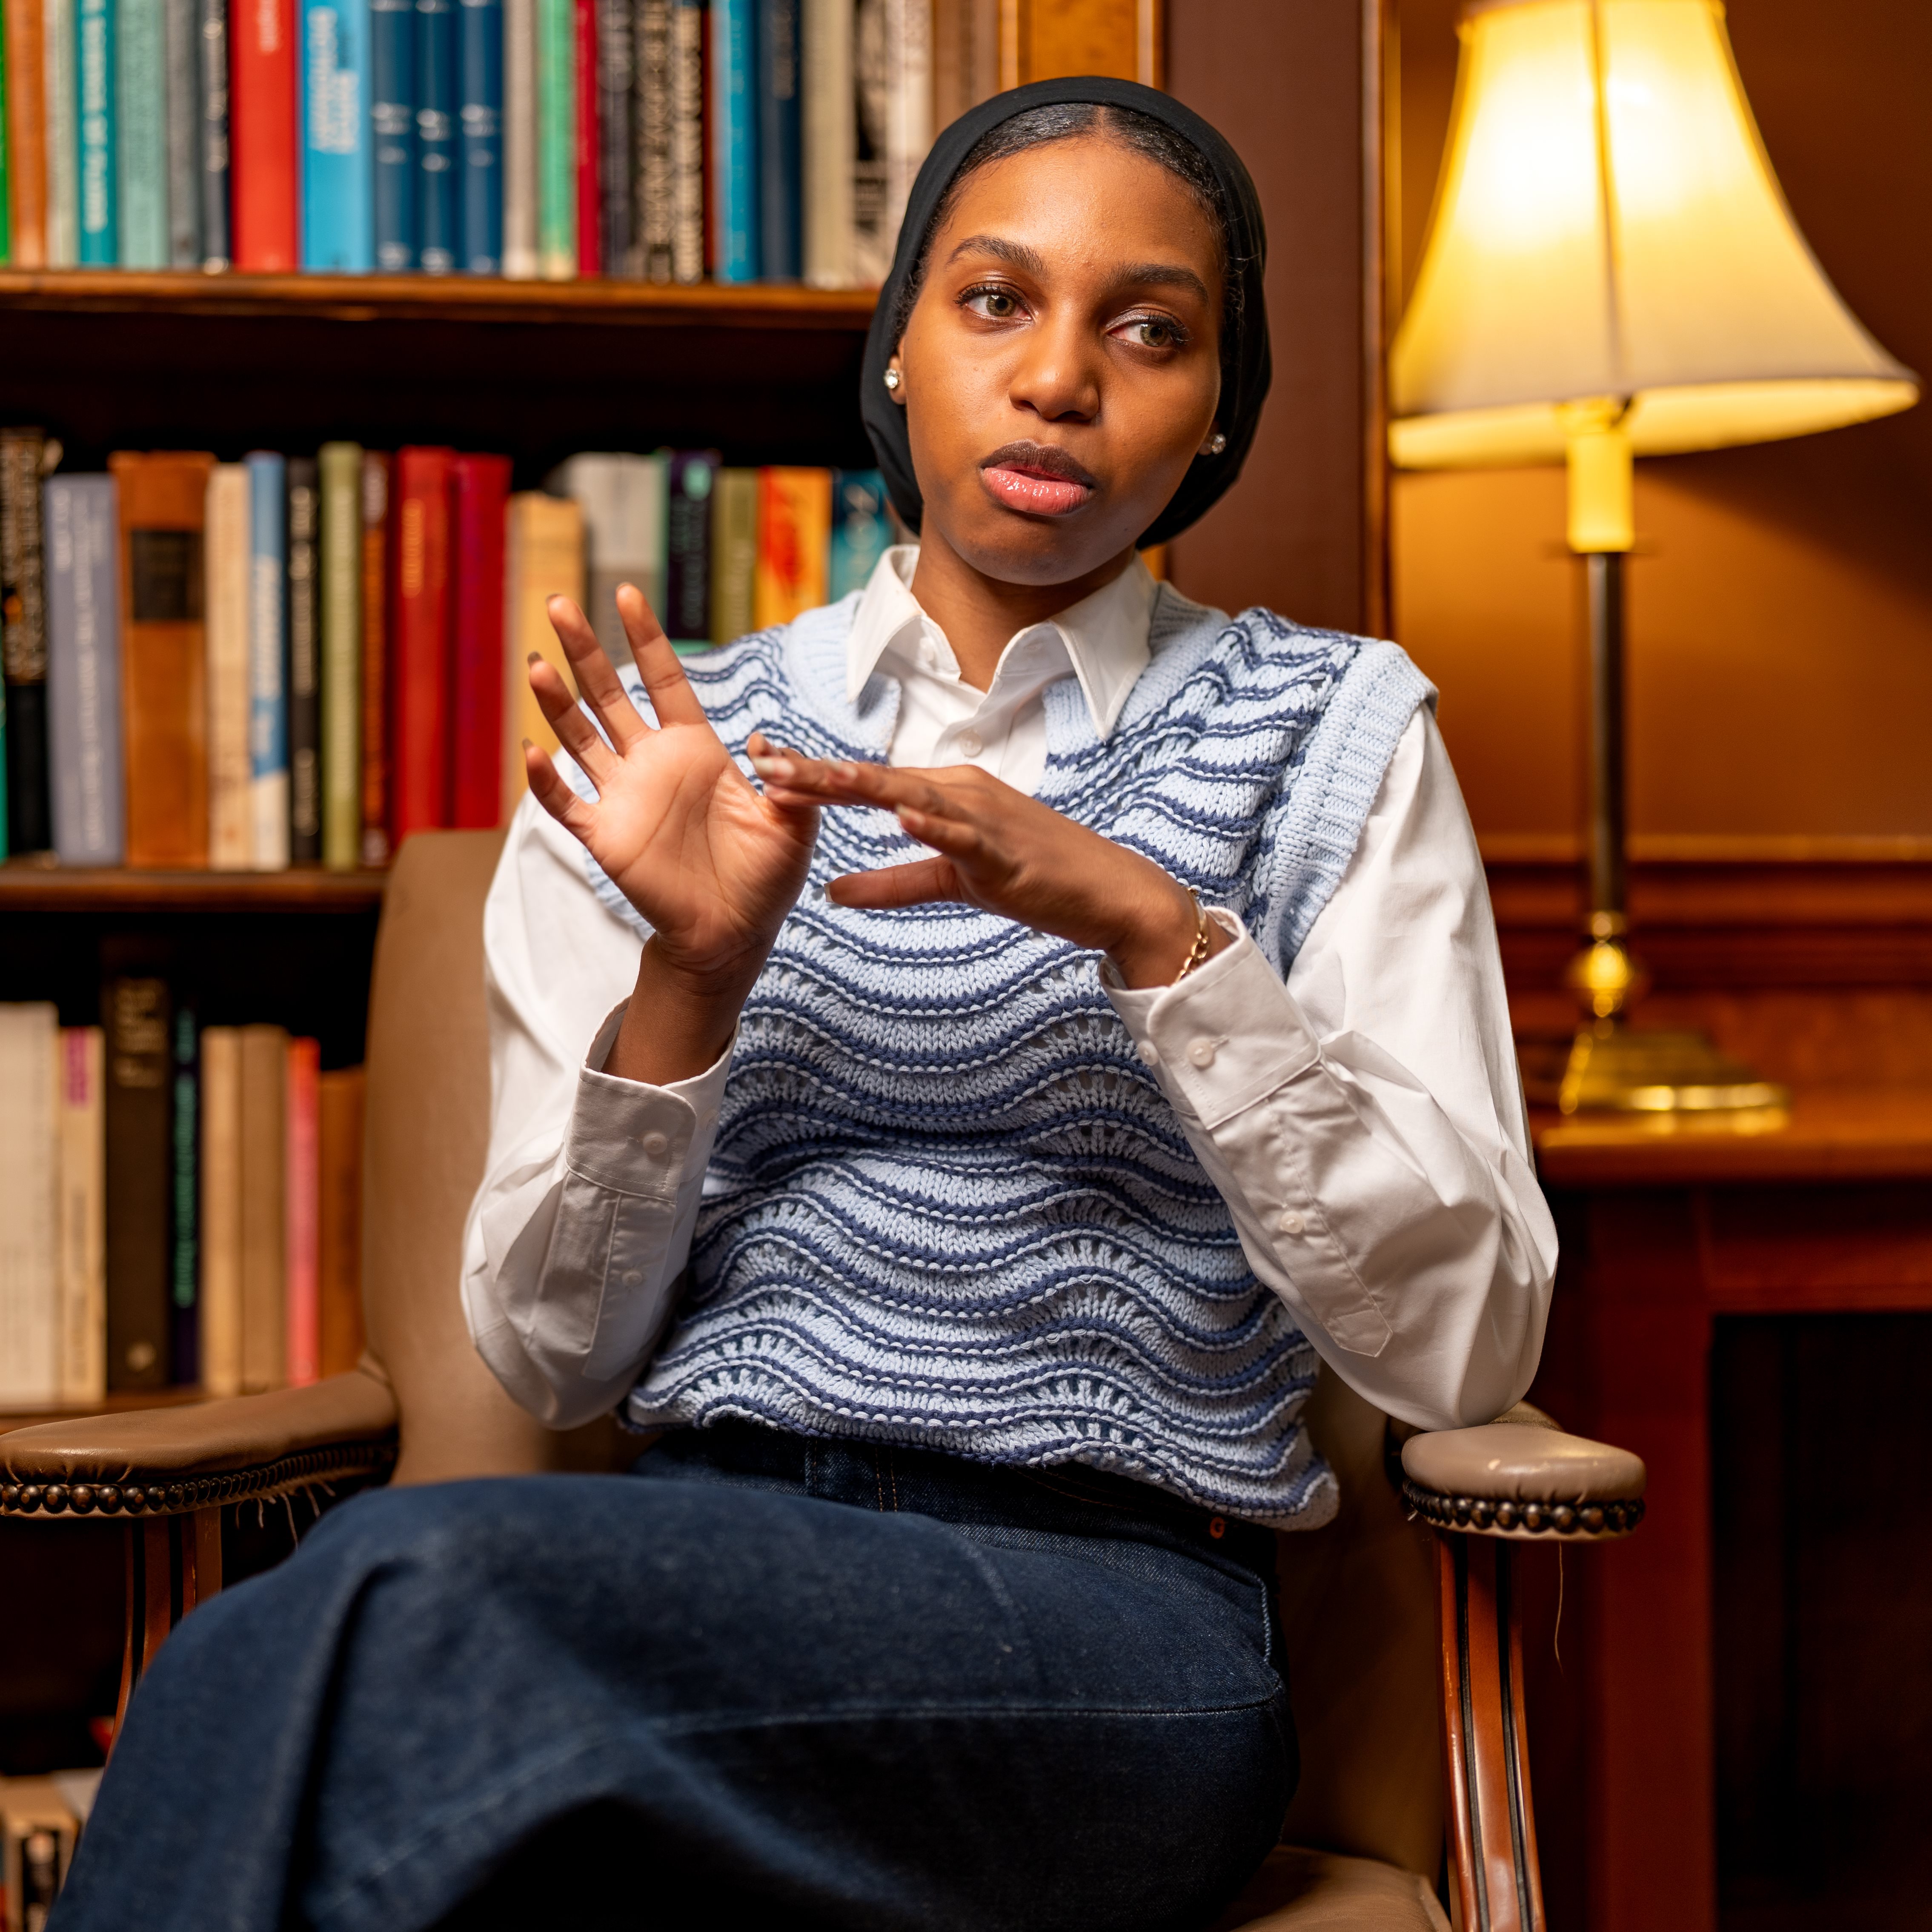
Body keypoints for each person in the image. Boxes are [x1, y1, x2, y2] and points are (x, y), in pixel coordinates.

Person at [53, 78, 1555, 1932]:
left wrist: (1168, 944)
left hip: (1110, 1636)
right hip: (692, 1554)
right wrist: (694, 976)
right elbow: (549, 1357)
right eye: (994, 300)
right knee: (289, 1666)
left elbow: (1464, 1347)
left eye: (1147, 329)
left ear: (1220, 406)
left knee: (399, 1597)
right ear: (900, 353)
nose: (1060, 376)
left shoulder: (1338, 731)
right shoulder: (667, 752)